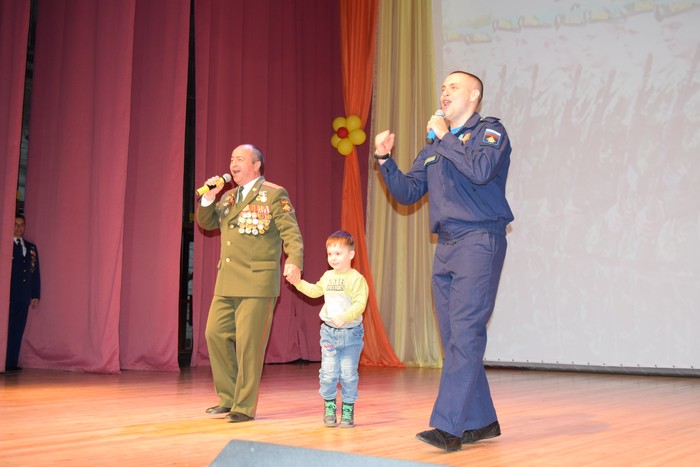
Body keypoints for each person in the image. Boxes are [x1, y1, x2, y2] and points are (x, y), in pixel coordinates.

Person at [374, 71, 513, 451]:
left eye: (454, 87)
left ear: (474, 95)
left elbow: (480, 171)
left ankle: (448, 428)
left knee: (466, 334)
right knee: (454, 339)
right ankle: (481, 421)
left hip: (479, 241)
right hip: (447, 245)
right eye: (443, 87)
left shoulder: (490, 132)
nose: (445, 92)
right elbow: (408, 192)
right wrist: (384, 159)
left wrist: (446, 136)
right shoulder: (436, 144)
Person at [196, 144, 303, 423]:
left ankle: (243, 406)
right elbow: (207, 223)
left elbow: (291, 232)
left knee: (248, 345)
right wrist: (209, 197)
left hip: (257, 282)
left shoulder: (273, 194)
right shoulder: (228, 197)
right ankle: (228, 397)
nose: (233, 164)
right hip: (227, 280)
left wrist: (294, 260)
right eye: (232, 159)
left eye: (240, 159)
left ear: (256, 165)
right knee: (214, 334)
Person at [288, 230, 368, 428]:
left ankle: (348, 409)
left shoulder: (356, 279)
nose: (333, 258)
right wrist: (298, 283)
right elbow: (315, 291)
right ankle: (330, 406)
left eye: (338, 253)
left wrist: (345, 316)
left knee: (348, 374)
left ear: (351, 254)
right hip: (329, 334)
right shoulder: (327, 276)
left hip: (351, 335)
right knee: (328, 373)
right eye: (330, 253)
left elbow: (360, 304)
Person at [6, 214, 41, 371]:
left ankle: (12, 362)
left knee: (18, 329)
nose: (19, 228)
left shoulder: (31, 247)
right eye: (16, 224)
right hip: (9, 294)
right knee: (7, 328)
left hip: (24, 295)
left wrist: (35, 294)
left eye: (22, 225)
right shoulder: (5, 245)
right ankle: (3, 360)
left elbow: (35, 273)